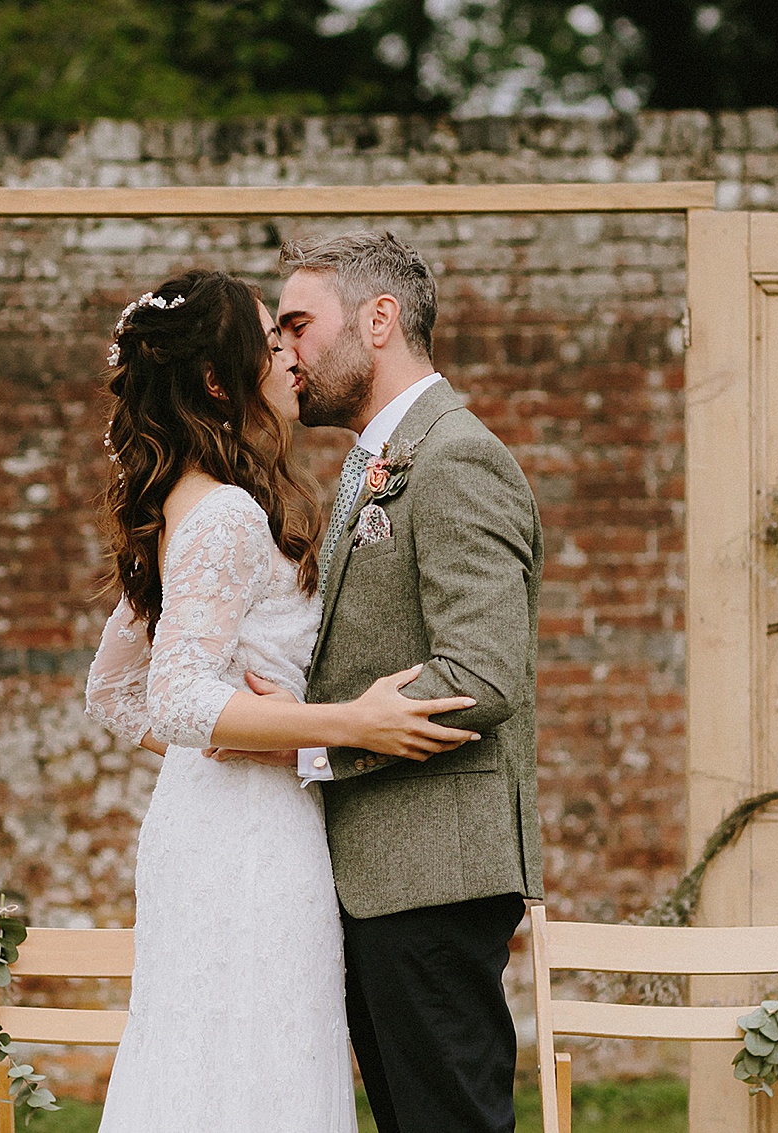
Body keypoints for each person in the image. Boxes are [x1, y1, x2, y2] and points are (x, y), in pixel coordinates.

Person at [83, 269, 479, 1132]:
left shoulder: (182, 502)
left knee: (209, 1066)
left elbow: (114, 691)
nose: (291, 359)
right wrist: (345, 724)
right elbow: (178, 696)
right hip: (252, 843)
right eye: (270, 344)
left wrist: (250, 736)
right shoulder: (223, 514)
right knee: (257, 1070)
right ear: (220, 381)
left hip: (207, 822)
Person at [271, 231, 545, 1133]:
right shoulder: (373, 459)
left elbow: (482, 670)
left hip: (433, 874)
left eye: (299, 325)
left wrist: (319, 731)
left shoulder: (457, 455)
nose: (285, 352)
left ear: (378, 319)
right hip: (380, 875)